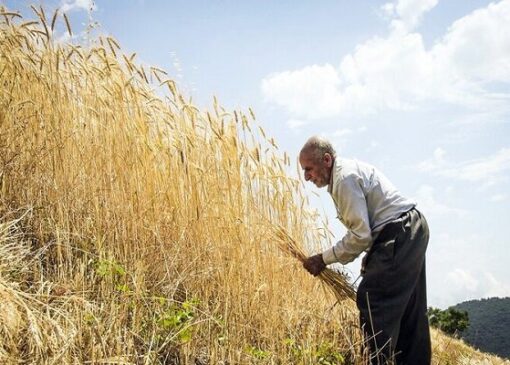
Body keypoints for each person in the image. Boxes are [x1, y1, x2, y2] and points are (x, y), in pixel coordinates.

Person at [300, 136, 431, 365]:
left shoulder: (344, 180)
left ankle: (377, 361)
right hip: (410, 229)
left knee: (373, 300)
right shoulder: (345, 174)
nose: (306, 177)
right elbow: (370, 230)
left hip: (399, 231)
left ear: (327, 160)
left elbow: (360, 235)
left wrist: (323, 258)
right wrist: (372, 256)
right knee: (410, 309)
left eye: (308, 169)